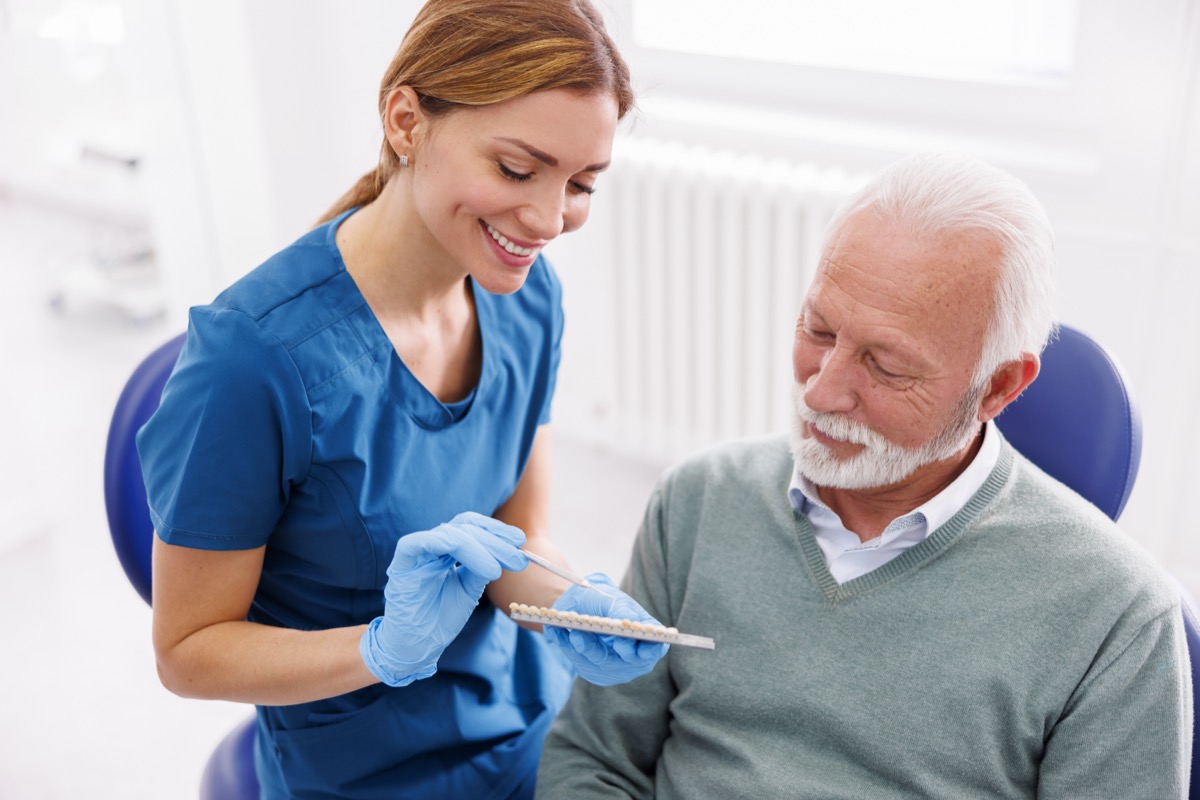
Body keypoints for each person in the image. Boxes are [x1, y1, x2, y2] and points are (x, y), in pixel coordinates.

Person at [535, 152, 1193, 798]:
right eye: (818, 330)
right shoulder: (697, 502)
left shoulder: (1120, 621)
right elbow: (594, 759)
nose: (822, 393)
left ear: (997, 387)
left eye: (885, 365)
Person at [135, 2, 667, 797]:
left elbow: (521, 538)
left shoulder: (527, 299)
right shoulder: (254, 363)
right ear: (407, 121)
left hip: (527, 721)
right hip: (362, 771)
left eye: (582, 184)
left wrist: (570, 605)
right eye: (519, 170)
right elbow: (187, 651)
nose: (550, 219)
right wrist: (381, 649)